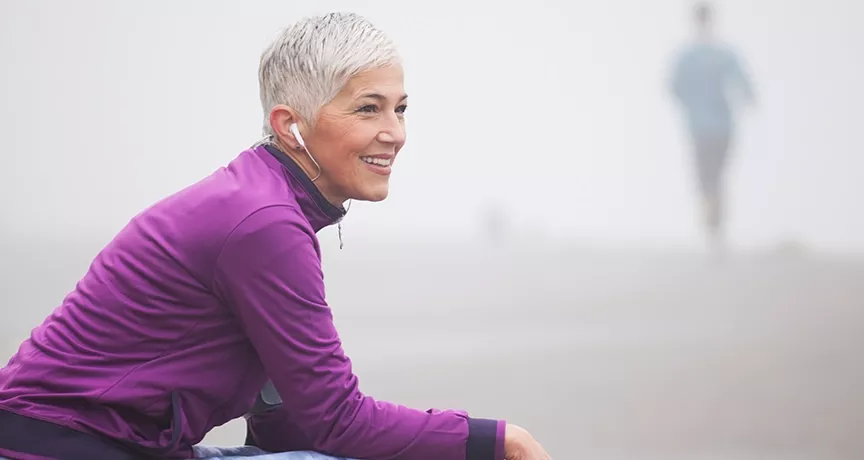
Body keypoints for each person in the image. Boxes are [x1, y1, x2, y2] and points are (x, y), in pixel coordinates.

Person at [0, 12, 551, 460]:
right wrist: (498, 441)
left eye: (400, 109)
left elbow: (288, 417)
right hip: (56, 445)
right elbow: (337, 420)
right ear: (291, 126)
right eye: (368, 109)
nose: (395, 133)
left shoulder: (263, 202)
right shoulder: (263, 222)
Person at [669, 2, 755, 252]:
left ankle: (713, 229)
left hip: (702, 126)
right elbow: (745, 88)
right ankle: (715, 230)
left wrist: (691, 104)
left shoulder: (689, 56)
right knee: (715, 178)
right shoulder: (722, 54)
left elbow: (673, 88)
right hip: (720, 125)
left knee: (708, 178)